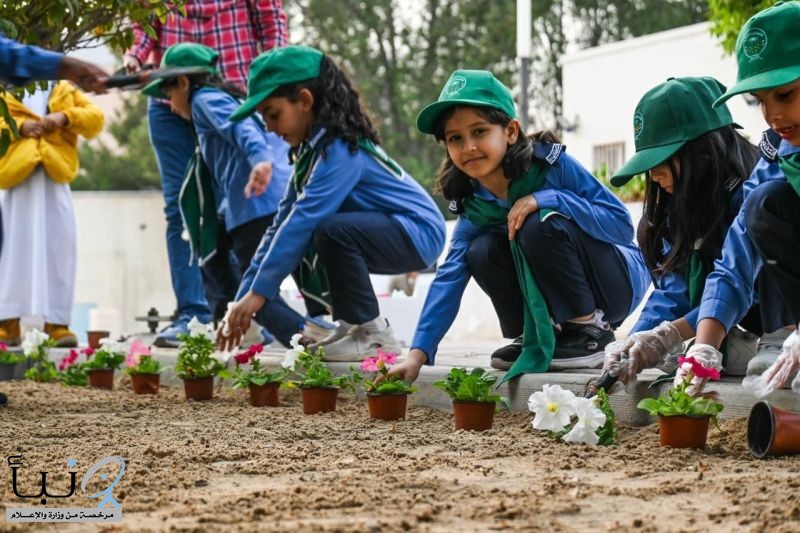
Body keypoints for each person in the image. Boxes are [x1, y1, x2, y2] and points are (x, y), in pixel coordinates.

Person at [388, 70, 650, 383]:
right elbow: (450, 277)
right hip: (562, 290)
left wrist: (549, 198)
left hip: (615, 283)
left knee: (536, 224)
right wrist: (416, 356)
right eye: (455, 138)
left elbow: (621, 225)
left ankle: (590, 333)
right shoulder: (474, 205)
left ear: (511, 131)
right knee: (480, 250)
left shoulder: (553, 166)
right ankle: (536, 334)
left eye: (479, 131)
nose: (469, 146)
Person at [217, 45, 446, 360]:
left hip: (418, 233)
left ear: (305, 100)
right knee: (297, 232)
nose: (269, 128)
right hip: (394, 232)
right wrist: (241, 300)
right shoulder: (311, 154)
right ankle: (351, 324)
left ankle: (375, 334)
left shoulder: (340, 151)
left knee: (324, 229)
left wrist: (258, 295)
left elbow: (302, 222)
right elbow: (279, 227)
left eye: (273, 114)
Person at [601, 76, 792, 389]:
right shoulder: (684, 205)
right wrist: (642, 336)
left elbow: (747, 277)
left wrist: (677, 332)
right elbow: (676, 287)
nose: (655, 175)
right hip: (729, 317)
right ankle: (730, 343)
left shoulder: (759, 189)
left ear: (704, 151)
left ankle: (776, 336)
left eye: (662, 160)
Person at [123, 1, 289, 347]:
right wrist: (137, 56)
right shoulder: (172, 98)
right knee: (183, 211)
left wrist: (277, 80)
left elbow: (271, 21)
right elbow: (143, 19)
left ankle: (256, 319)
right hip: (173, 94)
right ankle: (197, 314)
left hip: (230, 89)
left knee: (231, 215)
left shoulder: (213, 101)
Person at [686, 1, 800, 397]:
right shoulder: (782, 153)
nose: (772, 115)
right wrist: (704, 345)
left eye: (784, 94)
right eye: (760, 101)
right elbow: (738, 251)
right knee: (765, 205)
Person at [0, 35, 107, 407]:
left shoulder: (63, 88)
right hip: (14, 177)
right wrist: (19, 129)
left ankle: (56, 323)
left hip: (55, 177)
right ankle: (6, 321)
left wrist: (64, 117)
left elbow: (95, 119)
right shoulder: (4, 90)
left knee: (59, 248)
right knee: (10, 249)